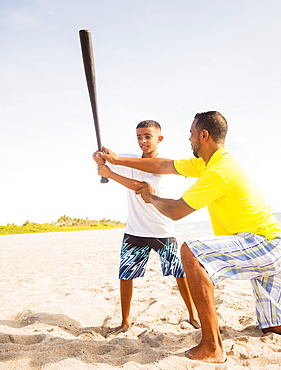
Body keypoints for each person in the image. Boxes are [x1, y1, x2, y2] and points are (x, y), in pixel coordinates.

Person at [96, 111, 281, 363]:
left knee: (192, 251)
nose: (189, 139)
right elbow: (163, 165)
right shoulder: (207, 162)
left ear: (204, 135)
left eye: (192, 134)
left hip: (262, 244)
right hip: (268, 246)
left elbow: (175, 211)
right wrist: (116, 160)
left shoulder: (219, 170)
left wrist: (152, 197)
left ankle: (212, 347)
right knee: (274, 326)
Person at [93, 119, 200, 336]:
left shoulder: (161, 166)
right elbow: (105, 156)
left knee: (179, 274)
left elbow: (142, 188)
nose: (143, 141)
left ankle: (193, 315)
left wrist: (110, 174)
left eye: (148, 136)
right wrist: (98, 157)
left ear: (159, 139)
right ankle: (125, 322)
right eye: (139, 137)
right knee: (125, 276)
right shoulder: (130, 159)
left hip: (162, 230)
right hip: (134, 231)